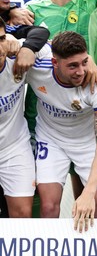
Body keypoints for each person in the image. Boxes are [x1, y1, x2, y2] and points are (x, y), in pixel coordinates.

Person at [27, 31, 97, 230]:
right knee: (48, 207)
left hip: (88, 142)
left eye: (84, 62)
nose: (81, 72)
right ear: (55, 63)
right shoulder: (37, 67)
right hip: (51, 139)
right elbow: (14, 41)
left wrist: (88, 192)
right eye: (72, 66)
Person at [0, 17, 51, 217]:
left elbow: (43, 35)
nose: (0, 47)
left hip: (13, 147)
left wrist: (28, 47)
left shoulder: (15, 53)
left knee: (22, 214)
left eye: (2, 38)